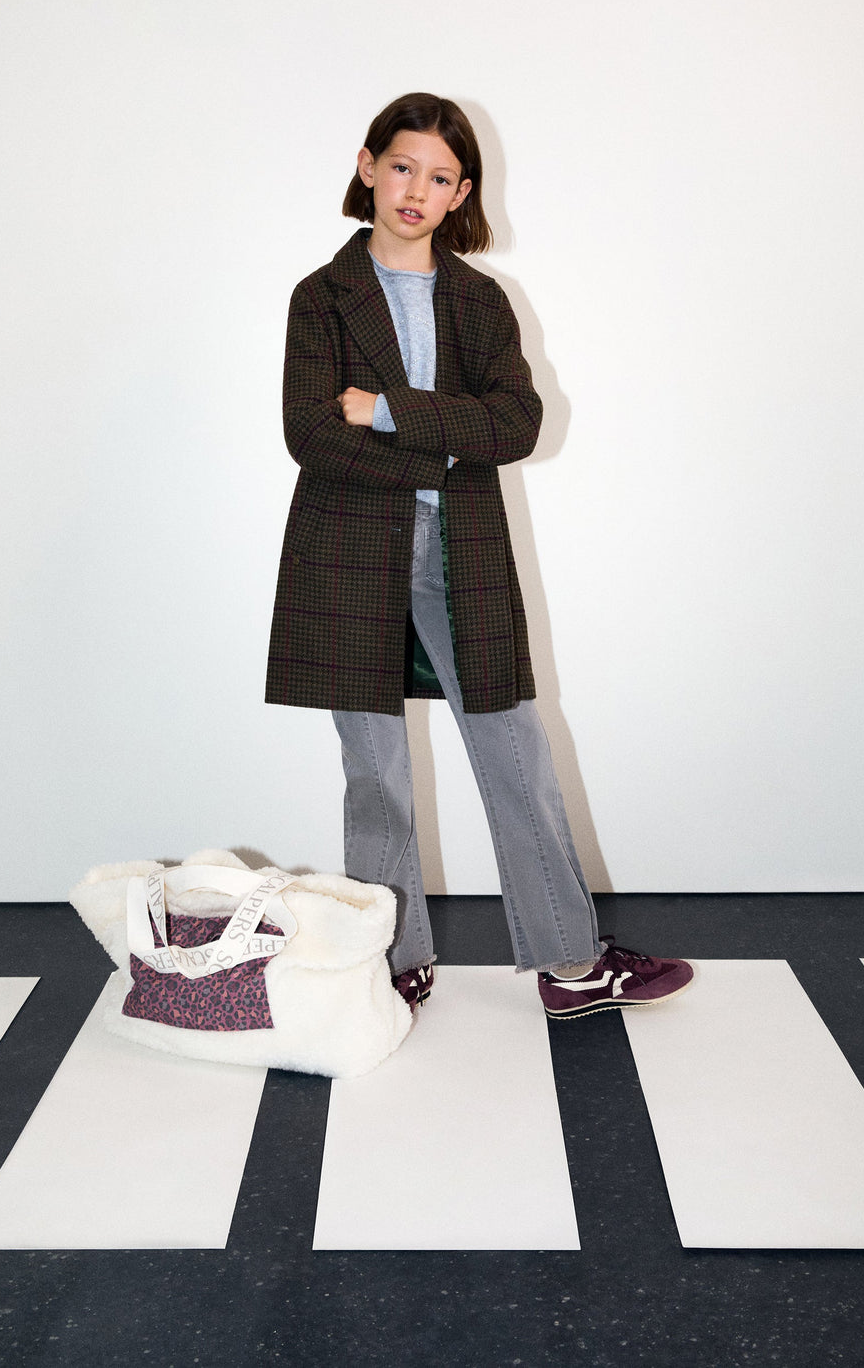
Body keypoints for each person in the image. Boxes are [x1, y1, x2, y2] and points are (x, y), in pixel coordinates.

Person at [266, 92, 692, 1019]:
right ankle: (393, 962)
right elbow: (311, 435)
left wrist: (386, 409)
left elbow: (519, 424)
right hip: (347, 553)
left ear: (462, 194)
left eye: (441, 177)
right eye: (403, 167)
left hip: (462, 551)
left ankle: (570, 962)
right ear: (368, 166)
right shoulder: (321, 297)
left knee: (513, 748)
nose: (417, 190)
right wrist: (449, 446)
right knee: (375, 771)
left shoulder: (479, 299)